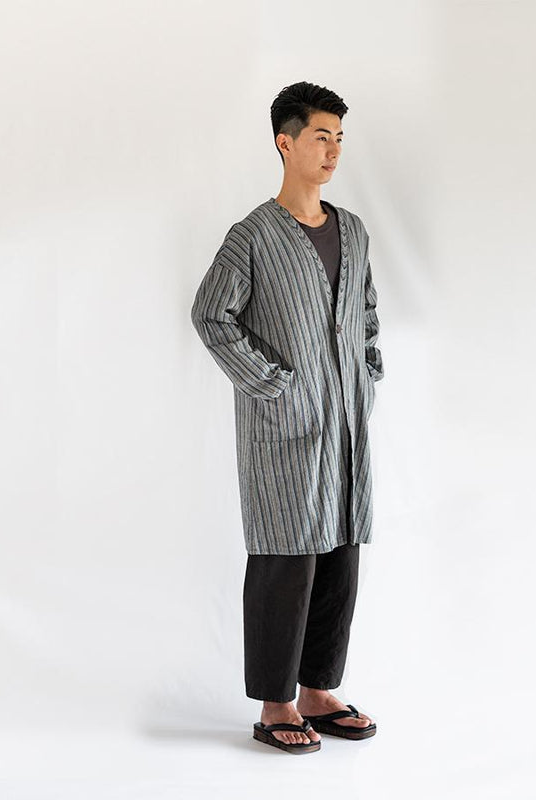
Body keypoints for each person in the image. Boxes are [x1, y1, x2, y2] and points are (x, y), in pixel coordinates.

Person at [191, 81, 384, 754]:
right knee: (286, 558)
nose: (332, 151)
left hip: (346, 423)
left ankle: (318, 690)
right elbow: (211, 315)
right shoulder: (252, 236)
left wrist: (367, 371)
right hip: (285, 429)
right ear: (286, 142)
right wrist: (272, 385)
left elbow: (365, 312)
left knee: (340, 550)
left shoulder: (352, 230)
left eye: (339, 139)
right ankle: (277, 702)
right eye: (320, 137)